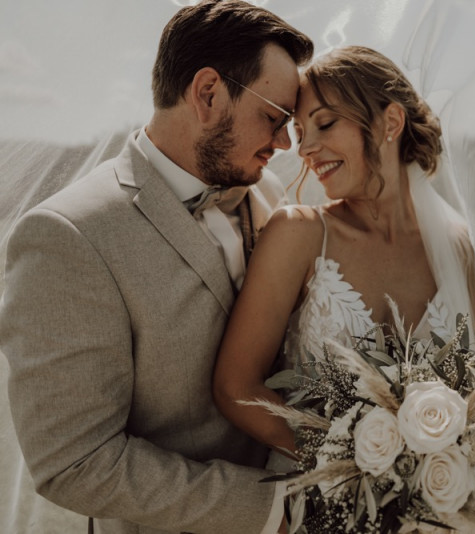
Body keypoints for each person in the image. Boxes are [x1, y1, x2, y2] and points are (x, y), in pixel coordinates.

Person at [0, 1, 312, 533]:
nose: (285, 142)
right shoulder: (66, 237)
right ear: (208, 93)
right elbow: (74, 463)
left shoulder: (269, 193)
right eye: (275, 117)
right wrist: (265, 509)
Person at [212, 45, 475, 530]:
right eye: (298, 132)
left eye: (325, 123)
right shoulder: (298, 233)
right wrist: (356, 464)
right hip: (313, 505)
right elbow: (236, 387)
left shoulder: (459, 247)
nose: (306, 148)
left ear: (391, 122)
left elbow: (472, 391)